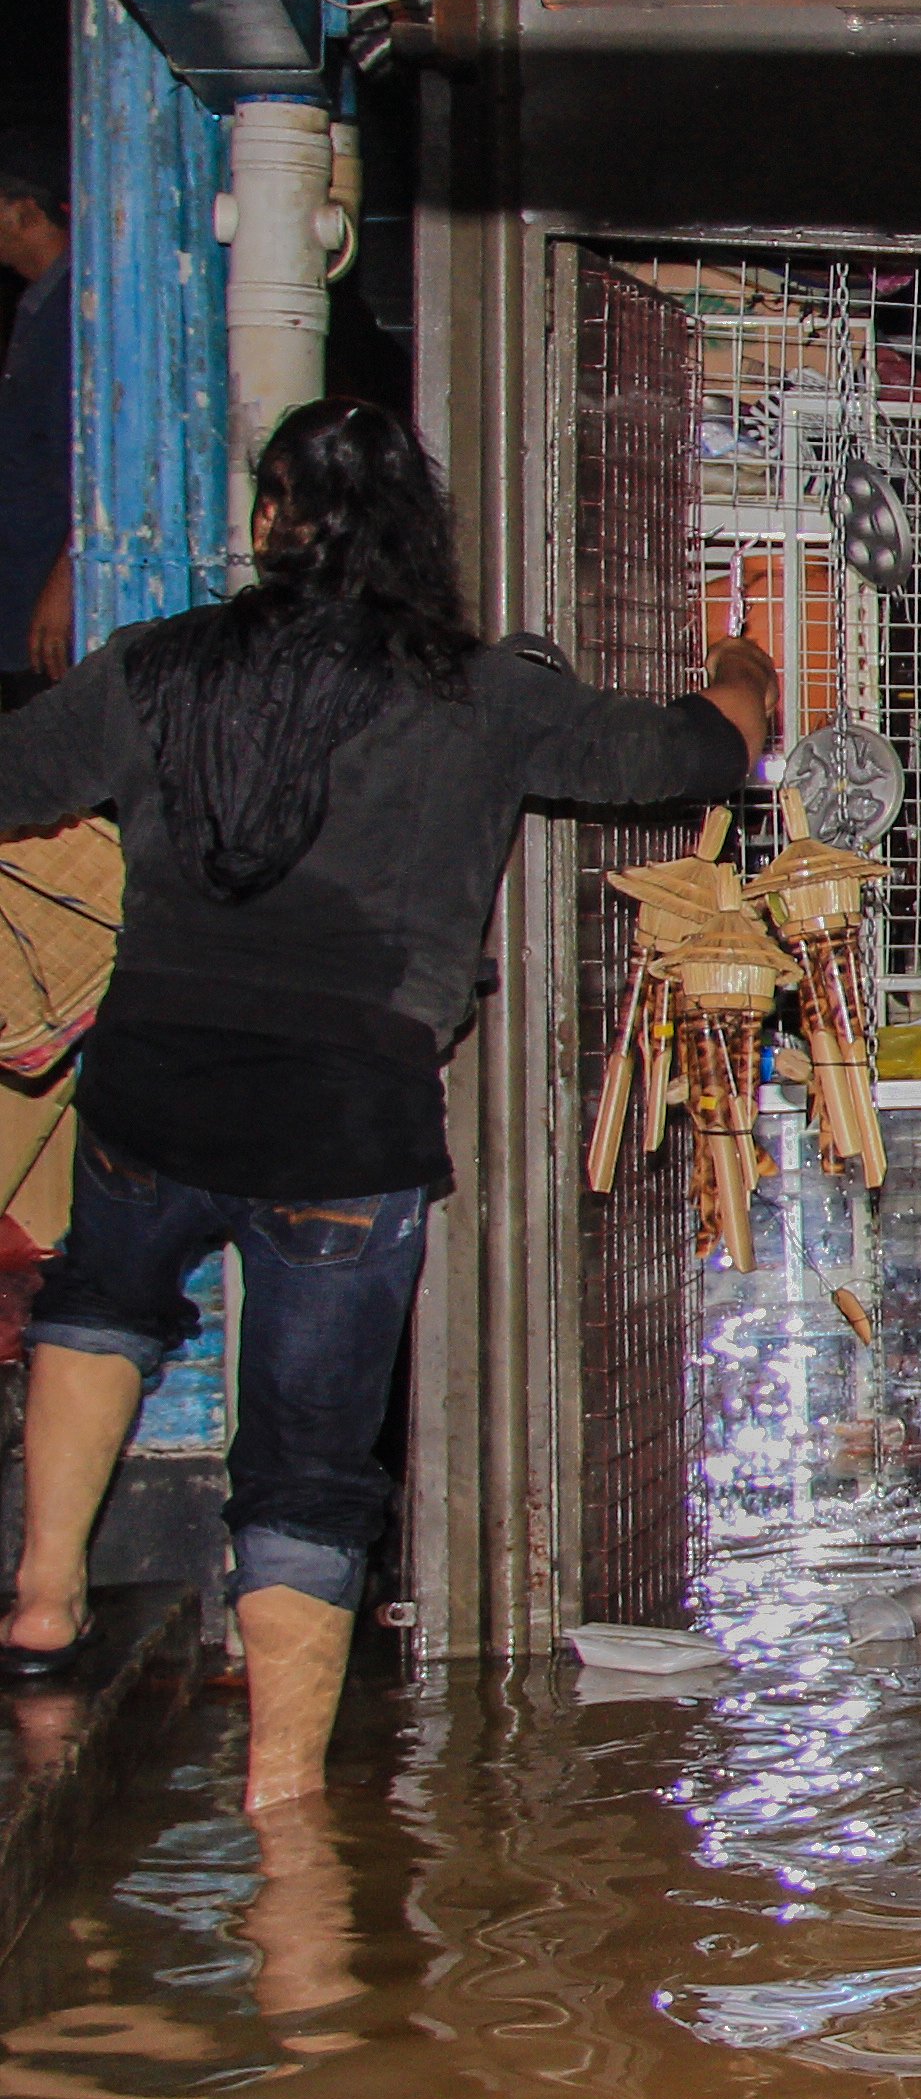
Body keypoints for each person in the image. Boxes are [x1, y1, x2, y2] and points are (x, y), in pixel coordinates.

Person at [0, 402, 773, 1799]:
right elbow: (692, 761)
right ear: (420, 533)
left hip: (152, 1084)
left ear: (267, 524)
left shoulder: (154, 670)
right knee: (306, 1467)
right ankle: (284, 1809)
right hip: (344, 1128)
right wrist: (744, 676)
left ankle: (45, 1601)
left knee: (100, 1303)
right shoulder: (481, 694)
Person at [0, 140, 72, 702]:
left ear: (26, 211)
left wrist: (66, 577)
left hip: (45, 606)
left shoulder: (77, 307)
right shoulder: (39, 308)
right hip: (25, 588)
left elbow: (96, 458)